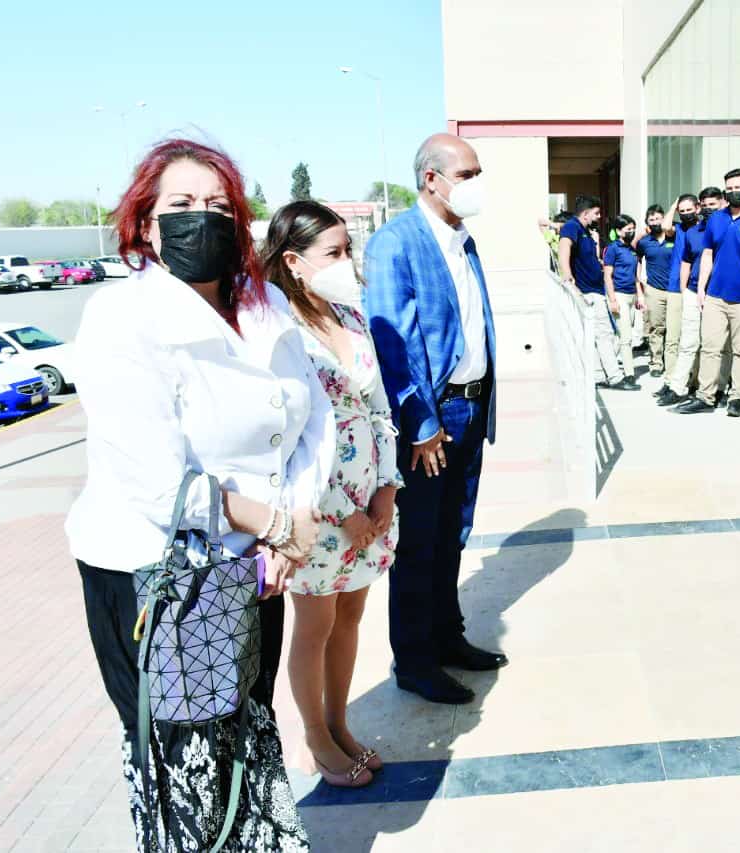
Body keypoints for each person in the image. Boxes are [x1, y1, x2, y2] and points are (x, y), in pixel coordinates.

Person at [67, 137, 334, 848]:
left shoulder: (266, 303)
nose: (203, 218)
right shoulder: (123, 318)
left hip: (254, 569)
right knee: (185, 763)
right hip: (159, 581)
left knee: (247, 738)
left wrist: (298, 515)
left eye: (219, 204)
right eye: (181, 204)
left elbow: (313, 418)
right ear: (145, 225)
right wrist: (278, 521)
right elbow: (160, 483)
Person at [365, 133, 507, 706]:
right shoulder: (394, 244)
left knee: (453, 532)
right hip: (434, 417)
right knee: (420, 541)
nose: (477, 183)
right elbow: (390, 339)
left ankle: (448, 638)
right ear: (432, 179)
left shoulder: (461, 239)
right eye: (468, 173)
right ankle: (415, 661)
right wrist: (421, 422)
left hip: (472, 406)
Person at [262, 200, 401, 788]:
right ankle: (316, 737)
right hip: (319, 509)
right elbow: (293, 433)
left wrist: (387, 491)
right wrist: (343, 512)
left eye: (349, 250)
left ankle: (340, 724)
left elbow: (377, 405)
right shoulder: (279, 331)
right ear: (294, 262)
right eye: (334, 253)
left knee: (352, 616)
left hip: (372, 497)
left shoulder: (350, 315)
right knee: (314, 626)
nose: (348, 262)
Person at [675, 169, 740, 416]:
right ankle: (705, 396)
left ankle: (737, 396)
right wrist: (701, 290)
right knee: (710, 347)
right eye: (729, 188)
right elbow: (707, 254)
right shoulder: (716, 219)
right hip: (715, 296)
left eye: (738, 187)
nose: (733, 192)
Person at [559, 195, 637, 390]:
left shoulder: (585, 231)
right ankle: (615, 377)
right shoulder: (572, 227)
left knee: (597, 335)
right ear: (585, 213)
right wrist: (568, 277)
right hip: (588, 291)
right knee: (605, 334)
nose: (599, 216)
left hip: (594, 289)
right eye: (596, 213)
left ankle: (598, 375)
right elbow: (564, 249)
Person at [657, 187, 725, 406]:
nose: (706, 209)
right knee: (687, 342)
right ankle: (677, 387)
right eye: (681, 210)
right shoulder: (688, 232)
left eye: (710, 205)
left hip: (717, 294)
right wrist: (686, 290)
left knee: (714, 345)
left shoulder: (725, 229)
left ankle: (715, 388)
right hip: (692, 292)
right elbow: (686, 261)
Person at [637, 204, 680, 377]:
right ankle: (656, 363)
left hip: (675, 290)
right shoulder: (644, 242)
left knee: (674, 328)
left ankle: (672, 362)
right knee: (656, 328)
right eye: (651, 219)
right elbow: (637, 260)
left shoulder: (674, 237)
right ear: (647, 222)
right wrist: (639, 283)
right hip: (654, 290)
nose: (655, 222)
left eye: (658, 218)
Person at [603, 214, 645, 379]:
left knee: (622, 335)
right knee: (626, 337)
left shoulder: (632, 250)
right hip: (619, 295)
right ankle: (629, 374)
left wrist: (640, 296)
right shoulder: (613, 249)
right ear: (618, 231)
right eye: (628, 229)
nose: (632, 232)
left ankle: (606, 367)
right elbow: (608, 276)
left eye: (633, 228)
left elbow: (635, 276)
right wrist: (612, 299)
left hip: (632, 296)